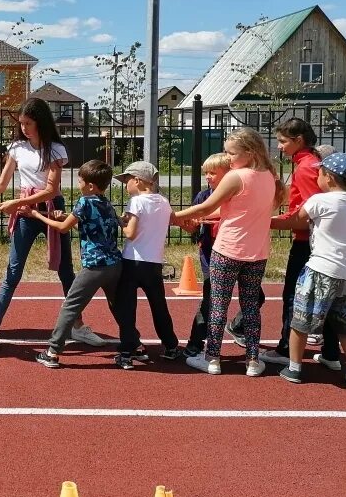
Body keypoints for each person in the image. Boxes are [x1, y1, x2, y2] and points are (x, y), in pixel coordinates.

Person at [0, 98, 105, 355]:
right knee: (12, 273)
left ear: (40, 122)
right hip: (25, 213)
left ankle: (78, 325)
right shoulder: (17, 147)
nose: (24, 128)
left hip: (52, 209)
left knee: (66, 271)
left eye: (28, 123)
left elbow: (51, 190)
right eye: (21, 124)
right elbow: (0, 185)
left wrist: (18, 202)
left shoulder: (56, 149)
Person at [175, 128, 284, 377]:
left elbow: (209, 205)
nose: (228, 157)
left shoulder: (236, 176)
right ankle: (253, 361)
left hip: (228, 249)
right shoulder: (269, 175)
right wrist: (198, 218)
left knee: (218, 305)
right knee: (250, 307)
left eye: (230, 152)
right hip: (257, 252)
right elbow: (231, 211)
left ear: (249, 152)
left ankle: (212, 358)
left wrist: (173, 216)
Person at [228, 119, 321, 367]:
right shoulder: (309, 162)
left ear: (298, 140)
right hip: (311, 240)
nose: (279, 147)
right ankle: (330, 351)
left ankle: (286, 348)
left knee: (293, 295)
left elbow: (311, 213)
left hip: (308, 242)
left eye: (282, 141)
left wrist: (267, 222)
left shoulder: (306, 167)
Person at [276, 153, 346, 389]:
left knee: (301, 320)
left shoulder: (319, 201)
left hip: (322, 268)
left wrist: (265, 221)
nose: (317, 176)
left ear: (329, 177)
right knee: (345, 323)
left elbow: (296, 220)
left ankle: (294, 368)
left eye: (320, 172)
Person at [27, 160, 123, 369]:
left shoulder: (84, 202)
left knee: (70, 306)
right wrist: (63, 216)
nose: (77, 183)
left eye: (80, 180)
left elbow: (62, 228)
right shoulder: (106, 203)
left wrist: (36, 215)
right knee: (118, 306)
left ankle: (52, 352)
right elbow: (89, 222)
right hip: (115, 265)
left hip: (94, 266)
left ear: (90, 185)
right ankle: (134, 345)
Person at [111, 161, 181, 369]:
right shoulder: (163, 202)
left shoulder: (136, 202)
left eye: (127, 181)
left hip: (133, 261)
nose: (125, 186)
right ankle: (170, 345)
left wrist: (119, 222)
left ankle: (126, 351)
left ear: (138, 181)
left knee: (127, 307)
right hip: (154, 263)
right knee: (159, 306)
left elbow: (131, 233)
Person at [182, 153, 231, 358]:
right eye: (206, 173)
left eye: (213, 172)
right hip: (210, 254)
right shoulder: (203, 196)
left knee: (257, 297)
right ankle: (195, 341)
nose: (208, 177)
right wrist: (191, 224)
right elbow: (190, 228)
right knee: (210, 298)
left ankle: (238, 326)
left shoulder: (235, 195)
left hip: (235, 251)